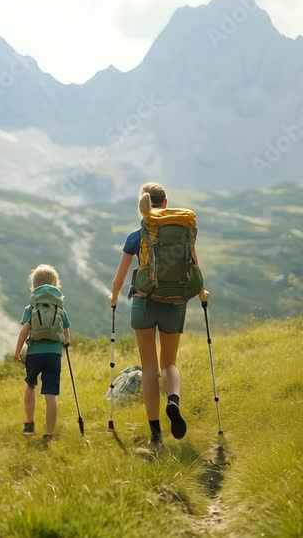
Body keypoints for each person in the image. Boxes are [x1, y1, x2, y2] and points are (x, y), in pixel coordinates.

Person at [109, 182, 208, 447]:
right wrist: (202, 295)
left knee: (150, 368)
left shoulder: (137, 235)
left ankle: (156, 435)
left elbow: (119, 279)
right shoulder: (183, 232)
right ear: (165, 204)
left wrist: (113, 298)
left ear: (143, 204)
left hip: (144, 303)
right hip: (175, 302)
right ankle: (173, 401)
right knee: (169, 364)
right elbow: (194, 267)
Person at [14, 264, 71, 442]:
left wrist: (17, 353)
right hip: (54, 355)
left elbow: (25, 331)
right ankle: (49, 434)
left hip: (34, 354)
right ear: (56, 285)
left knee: (30, 386)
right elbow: (67, 334)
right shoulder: (60, 308)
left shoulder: (31, 308)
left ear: (34, 286)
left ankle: (29, 424)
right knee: (50, 394)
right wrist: (65, 343)